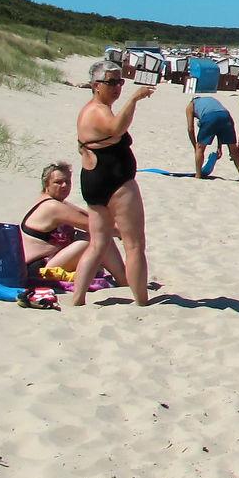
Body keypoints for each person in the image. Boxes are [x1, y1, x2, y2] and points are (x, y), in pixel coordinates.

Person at [69, 59, 154, 307]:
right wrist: (134, 99)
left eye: (120, 82)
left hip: (96, 181)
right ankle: (142, 301)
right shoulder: (97, 110)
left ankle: (78, 297)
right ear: (96, 85)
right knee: (135, 244)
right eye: (111, 82)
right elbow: (116, 129)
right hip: (114, 183)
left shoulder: (91, 110)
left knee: (99, 244)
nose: (117, 87)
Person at [19, 161, 126, 285]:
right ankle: (125, 280)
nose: (64, 185)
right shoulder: (52, 207)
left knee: (95, 236)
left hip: (50, 262)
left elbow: (88, 217)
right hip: (40, 270)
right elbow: (96, 226)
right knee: (98, 238)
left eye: (67, 182)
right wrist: (125, 232)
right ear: (46, 184)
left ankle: (124, 278)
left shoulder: (58, 203)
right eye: (58, 182)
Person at [186, 94, 239, 180]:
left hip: (209, 117)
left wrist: (195, 147)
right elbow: (218, 127)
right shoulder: (211, 99)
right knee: (233, 149)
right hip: (226, 116)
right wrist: (219, 147)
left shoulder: (190, 105)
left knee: (200, 148)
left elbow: (190, 129)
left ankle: (198, 175)